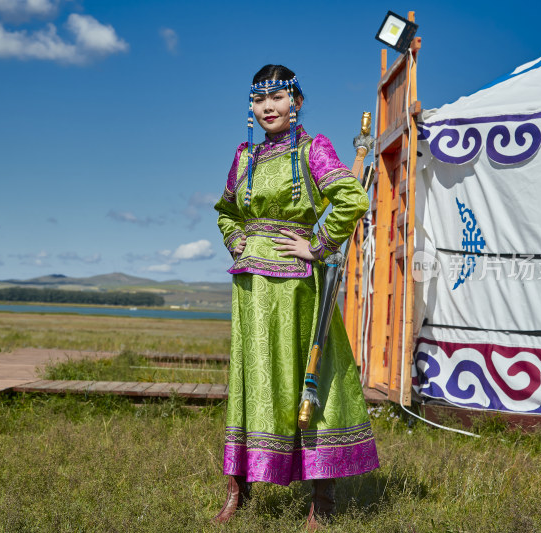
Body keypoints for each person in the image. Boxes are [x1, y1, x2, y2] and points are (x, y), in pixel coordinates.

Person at [213, 64, 380, 529]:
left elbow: (352, 199)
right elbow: (225, 211)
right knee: (252, 377)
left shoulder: (313, 149)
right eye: (259, 99)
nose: (268, 106)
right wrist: (235, 239)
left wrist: (320, 244)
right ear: (251, 107)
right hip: (249, 286)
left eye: (278, 97)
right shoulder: (244, 157)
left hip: (296, 285)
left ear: (296, 102)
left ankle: (322, 500)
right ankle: (237, 491)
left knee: (306, 376)